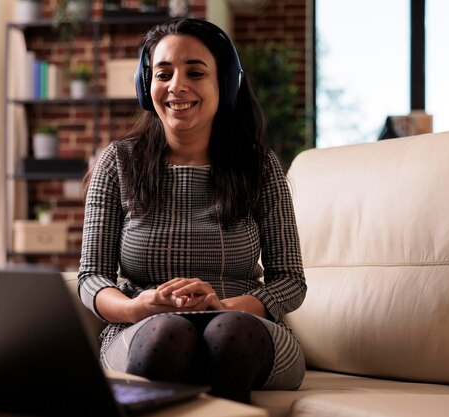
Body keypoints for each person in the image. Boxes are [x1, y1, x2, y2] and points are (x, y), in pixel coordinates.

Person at [78, 17, 306, 404]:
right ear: (145, 85)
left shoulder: (259, 166)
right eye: (163, 73)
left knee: (227, 333)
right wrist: (135, 307)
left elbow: (290, 280)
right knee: (166, 333)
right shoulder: (117, 162)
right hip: (143, 328)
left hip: (242, 325)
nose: (176, 86)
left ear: (225, 84)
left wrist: (222, 305)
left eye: (195, 72)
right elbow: (92, 278)